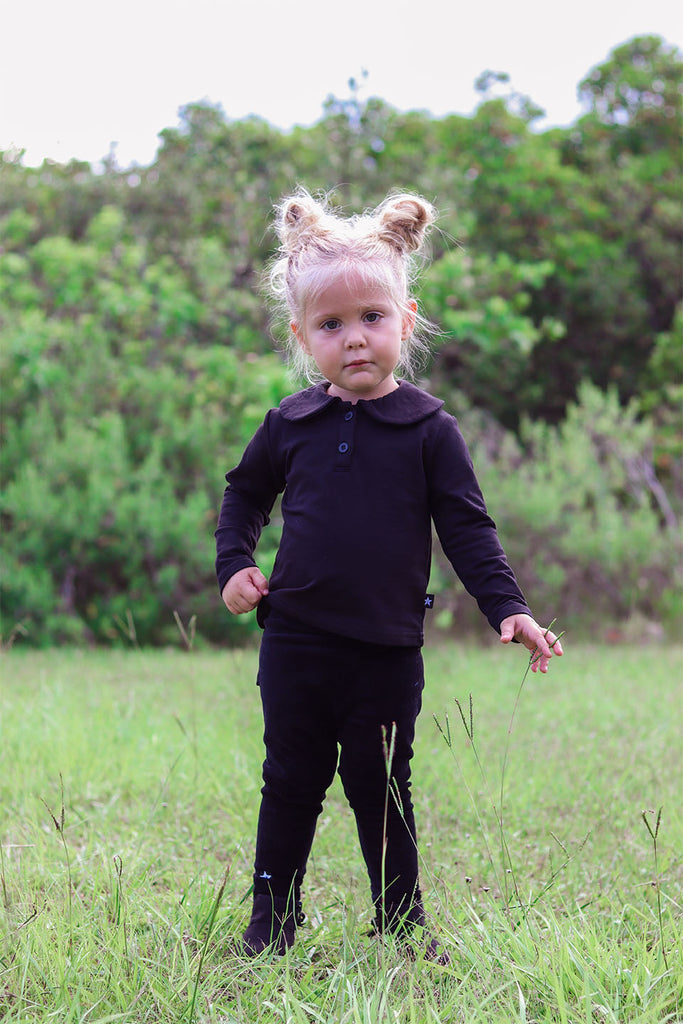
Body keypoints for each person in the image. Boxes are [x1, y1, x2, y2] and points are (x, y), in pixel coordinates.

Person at [215, 190, 563, 960]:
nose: (354, 339)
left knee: (381, 789)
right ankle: (270, 923)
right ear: (302, 336)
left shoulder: (429, 431)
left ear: (404, 322)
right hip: (296, 642)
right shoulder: (289, 423)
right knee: (290, 781)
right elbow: (243, 495)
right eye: (331, 326)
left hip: (383, 646)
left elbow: (468, 529)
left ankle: (402, 925)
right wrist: (236, 564)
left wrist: (507, 608)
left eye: (371, 318)